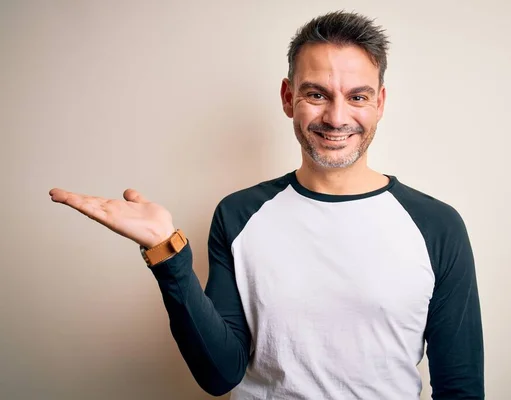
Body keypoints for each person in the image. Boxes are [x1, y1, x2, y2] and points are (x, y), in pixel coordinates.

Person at [49, 10, 484, 400]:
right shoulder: (238, 215)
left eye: (357, 96)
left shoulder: (436, 225)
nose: (336, 117)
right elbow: (220, 375)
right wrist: (167, 253)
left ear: (380, 103)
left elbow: (460, 388)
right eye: (316, 94)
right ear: (287, 97)